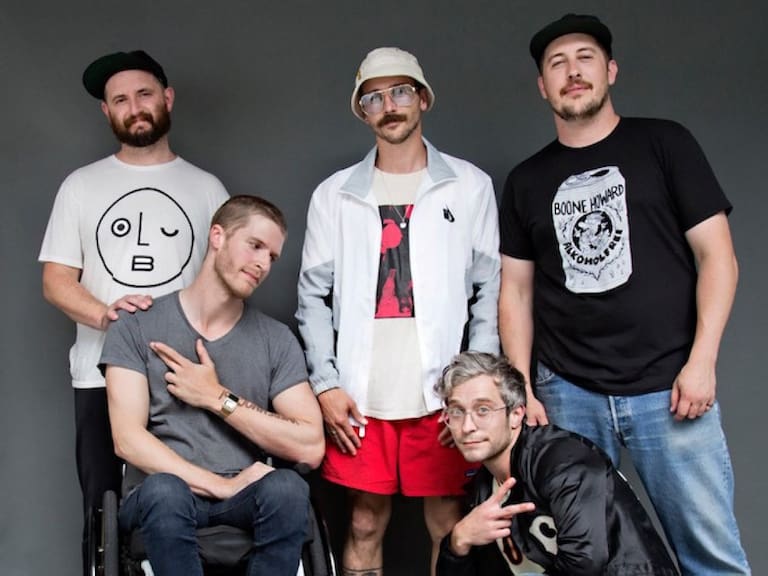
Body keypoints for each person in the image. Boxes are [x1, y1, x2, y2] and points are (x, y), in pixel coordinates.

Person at [498, 13, 750, 575]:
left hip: (670, 387)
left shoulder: (664, 143)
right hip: (567, 394)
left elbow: (719, 258)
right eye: (557, 64)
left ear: (610, 70)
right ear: (542, 86)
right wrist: (522, 387)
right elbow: (514, 292)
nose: (572, 72)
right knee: (582, 557)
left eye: (585, 58)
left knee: (709, 556)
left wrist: (702, 361)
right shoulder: (526, 180)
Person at [297, 47, 500, 575]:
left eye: (401, 92)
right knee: (364, 520)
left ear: (423, 99)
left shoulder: (470, 186)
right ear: (362, 112)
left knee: (447, 519)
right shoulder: (334, 195)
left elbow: (489, 290)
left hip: (442, 393)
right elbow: (311, 297)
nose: (389, 106)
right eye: (374, 98)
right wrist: (326, 384)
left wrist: (474, 386)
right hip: (361, 395)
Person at [38, 49, 228, 571]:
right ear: (107, 112)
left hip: (184, 380)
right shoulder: (81, 186)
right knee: (103, 515)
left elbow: (228, 283)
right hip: (98, 376)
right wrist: (109, 316)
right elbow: (56, 281)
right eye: (119, 99)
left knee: (190, 508)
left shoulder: (207, 188)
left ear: (167, 98)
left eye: (144, 94)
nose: (134, 107)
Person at [100, 195, 324, 576]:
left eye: (272, 256)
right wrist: (220, 486)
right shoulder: (136, 325)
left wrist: (217, 398)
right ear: (218, 236)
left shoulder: (275, 340)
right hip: (161, 497)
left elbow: (310, 446)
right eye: (255, 245)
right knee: (166, 491)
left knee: (288, 488)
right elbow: (127, 440)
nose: (263, 264)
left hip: (244, 498)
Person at [434, 351, 679, 576]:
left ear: (516, 414)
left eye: (483, 410)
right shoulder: (483, 491)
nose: (467, 426)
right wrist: (459, 539)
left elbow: (584, 566)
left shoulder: (564, 463)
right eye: (456, 411)